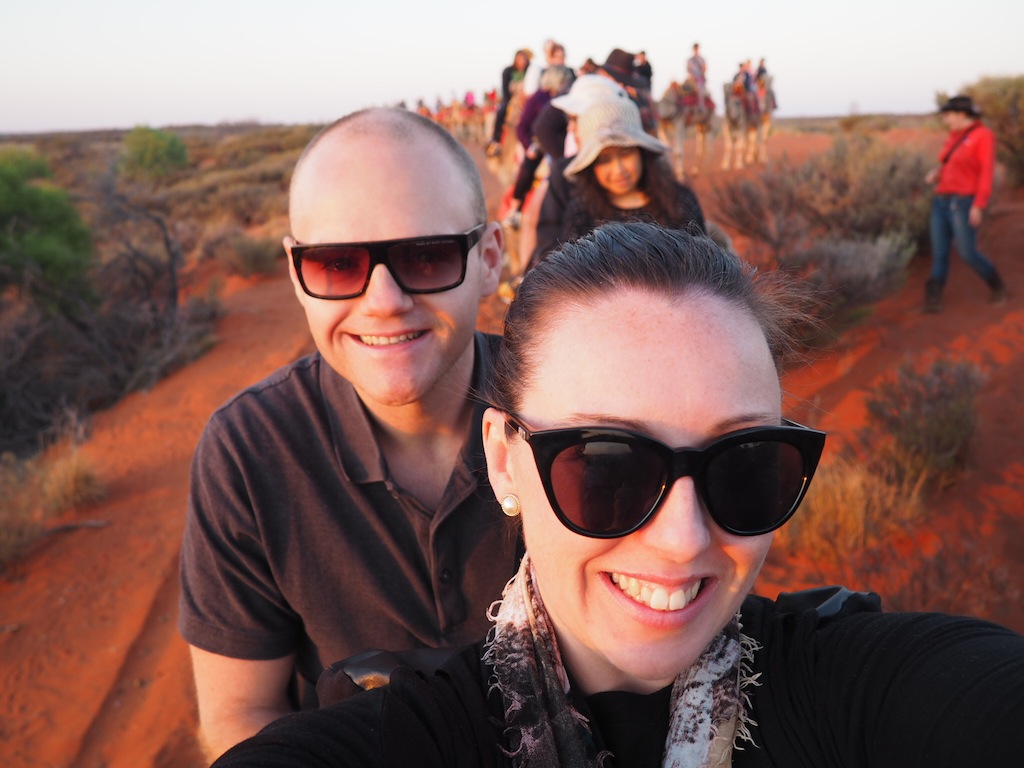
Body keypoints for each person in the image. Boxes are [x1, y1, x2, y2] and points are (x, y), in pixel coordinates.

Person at [212, 221, 1024, 767]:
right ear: (504, 462)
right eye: (604, 465)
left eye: (745, 464)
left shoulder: (862, 692)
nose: (683, 538)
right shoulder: (402, 739)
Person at [178, 107, 521, 759]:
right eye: (339, 264)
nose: (384, 299)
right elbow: (240, 711)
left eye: (426, 255)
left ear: (489, 258)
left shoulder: (562, 413)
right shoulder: (249, 453)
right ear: (296, 275)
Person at [556, 96, 705, 250]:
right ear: (591, 167)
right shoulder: (581, 214)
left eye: (626, 153)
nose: (618, 169)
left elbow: (703, 264)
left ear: (642, 152)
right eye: (604, 160)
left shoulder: (679, 202)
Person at [923, 94, 1006, 312]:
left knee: (967, 252)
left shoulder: (983, 136)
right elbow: (949, 164)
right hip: (941, 201)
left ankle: (997, 286)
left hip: (962, 203)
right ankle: (934, 298)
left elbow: (986, 172)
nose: (945, 120)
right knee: (939, 252)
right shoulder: (953, 136)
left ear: (962, 114)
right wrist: (936, 174)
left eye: (948, 115)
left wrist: (979, 205)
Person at [487, 49, 531, 157]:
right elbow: (505, 89)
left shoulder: (528, 72)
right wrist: (511, 100)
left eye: (525, 59)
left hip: (525, 99)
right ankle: (496, 141)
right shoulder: (508, 71)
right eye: (521, 59)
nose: (523, 61)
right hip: (510, 99)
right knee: (501, 112)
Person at [686, 42, 708, 112]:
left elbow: (704, 68)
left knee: (700, 90)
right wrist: (691, 76)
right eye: (695, 48)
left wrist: (699, 75)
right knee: (684, 89)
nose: (696, 50)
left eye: (697, 48)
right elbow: (688, 69)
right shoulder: (690, 60)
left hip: (700, 79)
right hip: (691, 79)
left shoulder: (701, 59)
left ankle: (700, 106)